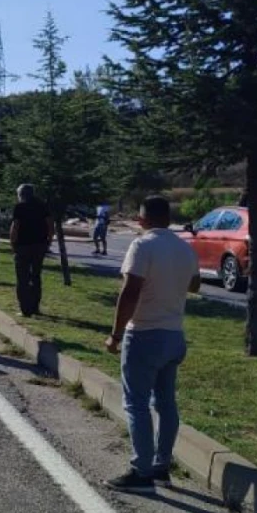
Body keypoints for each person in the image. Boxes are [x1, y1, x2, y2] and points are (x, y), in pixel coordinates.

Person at [104, 195, 200, 493]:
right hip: (174, 334)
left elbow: (130, 290)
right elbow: (194, 285)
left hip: (144, 333)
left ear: (142, 219)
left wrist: (115, 334)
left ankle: (141, 471)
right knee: (166, 402)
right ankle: (161, 466)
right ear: (168, 218)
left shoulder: (142, 245)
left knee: (136, 403)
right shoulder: (184, 247)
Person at [10, 183, 53, 317]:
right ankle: (35, 307)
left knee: (22, 278)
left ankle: (25, 309)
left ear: (21, 195)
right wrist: (49, 241)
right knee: (36, 276)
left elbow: (15, 227)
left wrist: (12, 244)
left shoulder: (20, 207)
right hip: (39, 245)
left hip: (23, 246)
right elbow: (50, 224)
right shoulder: (43, 206)